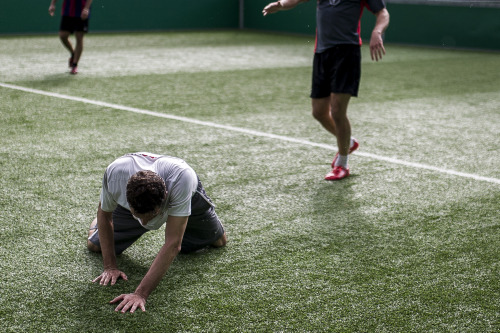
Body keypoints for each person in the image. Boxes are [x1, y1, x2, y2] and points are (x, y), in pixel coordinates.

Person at [263, 0, 389, 180]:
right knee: (319, 112)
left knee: (337, 111)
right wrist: (280, 4)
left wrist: (377, 32)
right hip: (322, 53)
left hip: (347, 52)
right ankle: (349, 143)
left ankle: (342, 164)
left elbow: (383, 13)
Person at [87, 152, 227, 313]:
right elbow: (105, 214)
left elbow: (173, 244)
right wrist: (110, 266)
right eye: (139, 216)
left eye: (150, 217)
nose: (145, 224)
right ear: (128, 200)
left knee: (219, 242)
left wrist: (140, 294)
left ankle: (204, 218)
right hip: (142, 204)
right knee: (94, 245)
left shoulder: (181, 180)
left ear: (165, 199)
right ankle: (98, 225)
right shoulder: (115, 175)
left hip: (187, 196)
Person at [48, 0, 93, 74]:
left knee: (79, 37)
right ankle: (73, 54)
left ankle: (74, 65)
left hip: (82, 11)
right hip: (68, 10)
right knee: (63, 35)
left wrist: (86, 8)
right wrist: (52, 4)